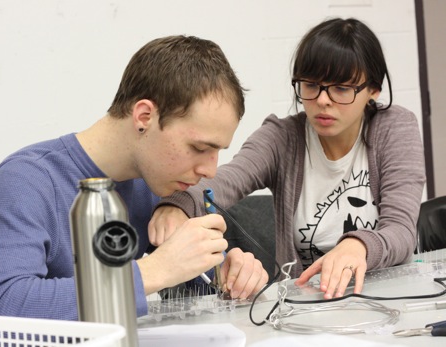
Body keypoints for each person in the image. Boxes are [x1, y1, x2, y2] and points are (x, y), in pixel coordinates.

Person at [0, 35, 269, 320]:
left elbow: (187, 297)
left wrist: (224, 276)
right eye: (199, 148)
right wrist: (154, 271)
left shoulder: (158, 183)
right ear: (144, 117)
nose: (210, 171)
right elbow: (3, 304)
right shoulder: (27, 180)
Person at [149, 18, 426, 300]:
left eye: (341, 88)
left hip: (389, 295)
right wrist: (178, 204)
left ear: (373, 90)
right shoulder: (282, 137)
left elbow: (401, 231)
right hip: (307, 306)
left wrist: (358, 245)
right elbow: (226, 180)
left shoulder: (394, 128)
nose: (323, 100)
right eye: (311, 85)